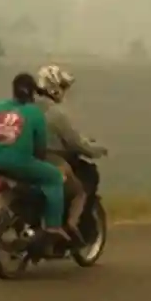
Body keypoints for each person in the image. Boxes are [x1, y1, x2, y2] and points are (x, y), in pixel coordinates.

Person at [0, 72, 70, 243]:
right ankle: (53, 226)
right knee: (55, 177)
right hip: (19, 164)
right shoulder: (35, 114)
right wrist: (36, 160)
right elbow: (40, 148)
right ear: (33, 93)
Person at [35, 64, 108, 239]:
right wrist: (96, 150)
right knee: (80, 188)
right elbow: (74, 142)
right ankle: (70, 225)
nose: (64, 91)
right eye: (63, 86)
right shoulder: (55, 114)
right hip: (51, 160)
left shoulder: (27, 108)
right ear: (54, 87)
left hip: (27, 159)